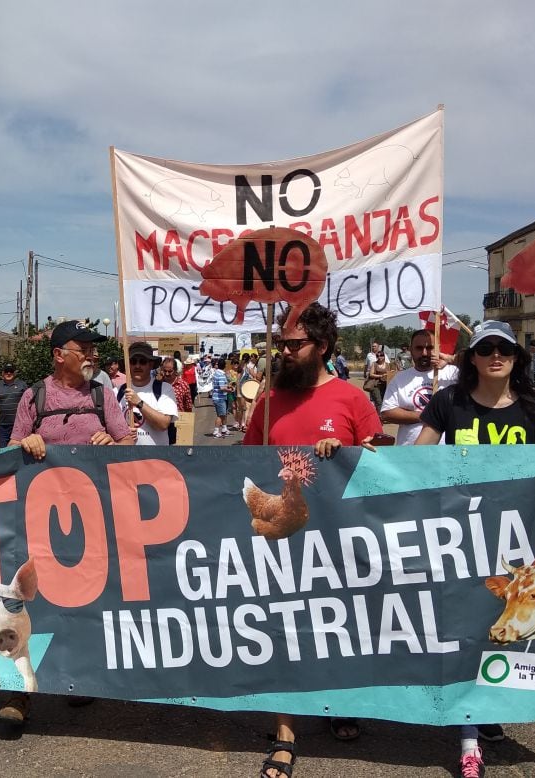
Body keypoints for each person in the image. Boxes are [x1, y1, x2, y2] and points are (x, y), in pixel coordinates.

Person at [416, 320, 535, 777]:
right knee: (466, 625)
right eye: (486, 348)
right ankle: (468, 735)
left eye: (506, 349)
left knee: (501, 628)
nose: (496, 355)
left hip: (517, 541)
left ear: (517, 357)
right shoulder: (447, 402)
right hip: (460, 535)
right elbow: (414, 461)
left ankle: (487, 707)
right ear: (471, 357)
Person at [244, 303, 382, 776]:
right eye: (282, 344)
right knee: (281, 629)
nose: (285, 351)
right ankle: (285, 731)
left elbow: (379, 465)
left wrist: (346, 452)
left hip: (339, 542)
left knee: (339, 624)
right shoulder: (265, 403)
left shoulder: (352, 399)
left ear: (322, 347)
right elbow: (243, 468)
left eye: (295, 344)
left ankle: (338, 701)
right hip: (282, 542)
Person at [6, 320, 133, 725]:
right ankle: (21, 693)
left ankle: (77, 677)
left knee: (86, 603)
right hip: (39, 525)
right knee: (30, 606)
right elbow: (9, 451)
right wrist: (26, 443)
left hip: (92, 522)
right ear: (60, 355)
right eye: (84, 349)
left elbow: (128, 441)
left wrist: (114, 444)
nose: (93, 356)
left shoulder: (102, 394)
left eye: (94, 350)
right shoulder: (35, 396)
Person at [380, 330, 459, 445]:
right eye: (419, 348)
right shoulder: (400, 379)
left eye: (430, 348)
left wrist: (451, 359)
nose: (424, 353)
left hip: (448, 452)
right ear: (411, 349)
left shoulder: (454, 374)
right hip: (411, 452)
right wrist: (426, 416)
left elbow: (478, 363)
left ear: (438, 348)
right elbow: (387, 413)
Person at [118, 341, 178, 446]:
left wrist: (139, 403)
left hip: (155, 458)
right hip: (127, 459)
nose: (137, 365)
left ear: (150, 364)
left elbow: (163, 424)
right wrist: (124, 432)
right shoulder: (117, 392)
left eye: (142, 361)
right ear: (128, 365)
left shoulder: (164, 389)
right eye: (133, 361)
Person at [0, 362, 29, 448]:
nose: (9, 373)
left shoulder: (22, 385)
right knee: (3, 451)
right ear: (2, 373)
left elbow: (29, 401)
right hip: (3, 426)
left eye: (11, 371)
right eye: (6, 371)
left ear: (14, 373)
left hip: (19, 425)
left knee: (18, 451)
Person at [160, 356, 193, 431]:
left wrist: (187, 426)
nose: (167, 374)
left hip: (179, 422)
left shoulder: (183, 385)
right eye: (165, 371)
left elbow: (188, 406)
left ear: (175, 370)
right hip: (161, 422)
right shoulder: (158, 384)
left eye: (170, 371)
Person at [210, 358, 233, 437]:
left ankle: (224, 429)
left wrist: (228, 386)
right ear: (225, 366)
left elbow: (221, 385)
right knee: (221, 415)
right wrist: (229, 390)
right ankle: (216, 431)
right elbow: (222, 387)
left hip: (218, 397)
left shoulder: (217, 373)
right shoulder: (221, 374)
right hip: (220, 398)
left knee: (223, 414)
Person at [363, 344, 388, 412]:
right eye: (378, 356)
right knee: (378, 400)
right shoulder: (374, 363)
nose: (380, 357)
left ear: (384, 356)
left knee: (384, 400)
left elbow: (392, 373)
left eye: (381, 355)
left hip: (385, 385)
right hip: (375, 384)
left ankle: (382, 414)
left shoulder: (387, 364)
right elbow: (371, 374)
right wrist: (380, 376)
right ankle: (380, 417)